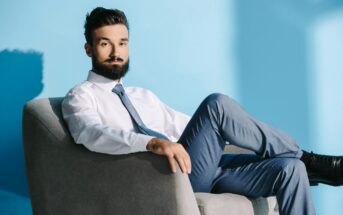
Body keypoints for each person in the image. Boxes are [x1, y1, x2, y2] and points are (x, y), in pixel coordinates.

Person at [62, 7, 343, 215]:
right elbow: (90, 133)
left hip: (206, 169)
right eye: (105, 43)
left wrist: (240, 142)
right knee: (216, 104)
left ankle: (299, 160)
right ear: (89, 49)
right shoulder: (81, 96)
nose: (116, 52)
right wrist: (151, 142)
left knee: (289, 169)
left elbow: (187, 127)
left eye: (122, 43)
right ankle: (309, 158)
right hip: (167, 175)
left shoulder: (141, 96)